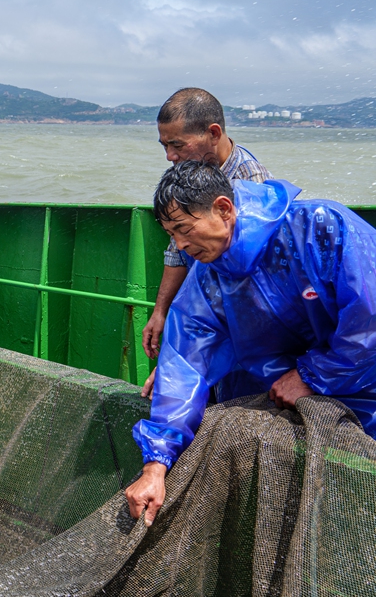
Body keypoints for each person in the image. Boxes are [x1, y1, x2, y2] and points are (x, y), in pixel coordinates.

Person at [125, 161, 376, 526]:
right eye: (170, 234)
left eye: (183, 229)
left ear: (224, 209)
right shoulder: (208, 279)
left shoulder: (320, 226)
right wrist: (156, 464)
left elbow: (369, 315)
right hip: (283, 394)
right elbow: (184, 363)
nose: (179, 244)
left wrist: (311, 375)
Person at [140, 88, 270, 398]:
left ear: (213, 133)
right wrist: (161, 311)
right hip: (202, 308)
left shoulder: (250, 184)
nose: (170, 156)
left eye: (177, 145)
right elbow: (178, 249)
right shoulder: (188, 174)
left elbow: (243, 287)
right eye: (164, 146)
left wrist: (182, 358)